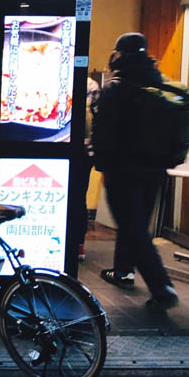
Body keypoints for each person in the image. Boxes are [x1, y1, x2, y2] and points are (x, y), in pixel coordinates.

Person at [91, 32, 178, 311]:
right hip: (154, 169)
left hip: (123, 170)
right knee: (137, 224)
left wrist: (101, 163)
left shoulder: (117, 88)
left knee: (132, 226)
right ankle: (122, 270)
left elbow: (103, 130)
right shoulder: (158, 82)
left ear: (120, 54)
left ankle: (161, 286)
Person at [78, 76, 100, 261]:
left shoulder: (89, 85)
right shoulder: (91, 85)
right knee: (79, 197)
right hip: (85, 152)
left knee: (75, 197)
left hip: (74, 150)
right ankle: (78, 244)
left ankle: (76, 243)